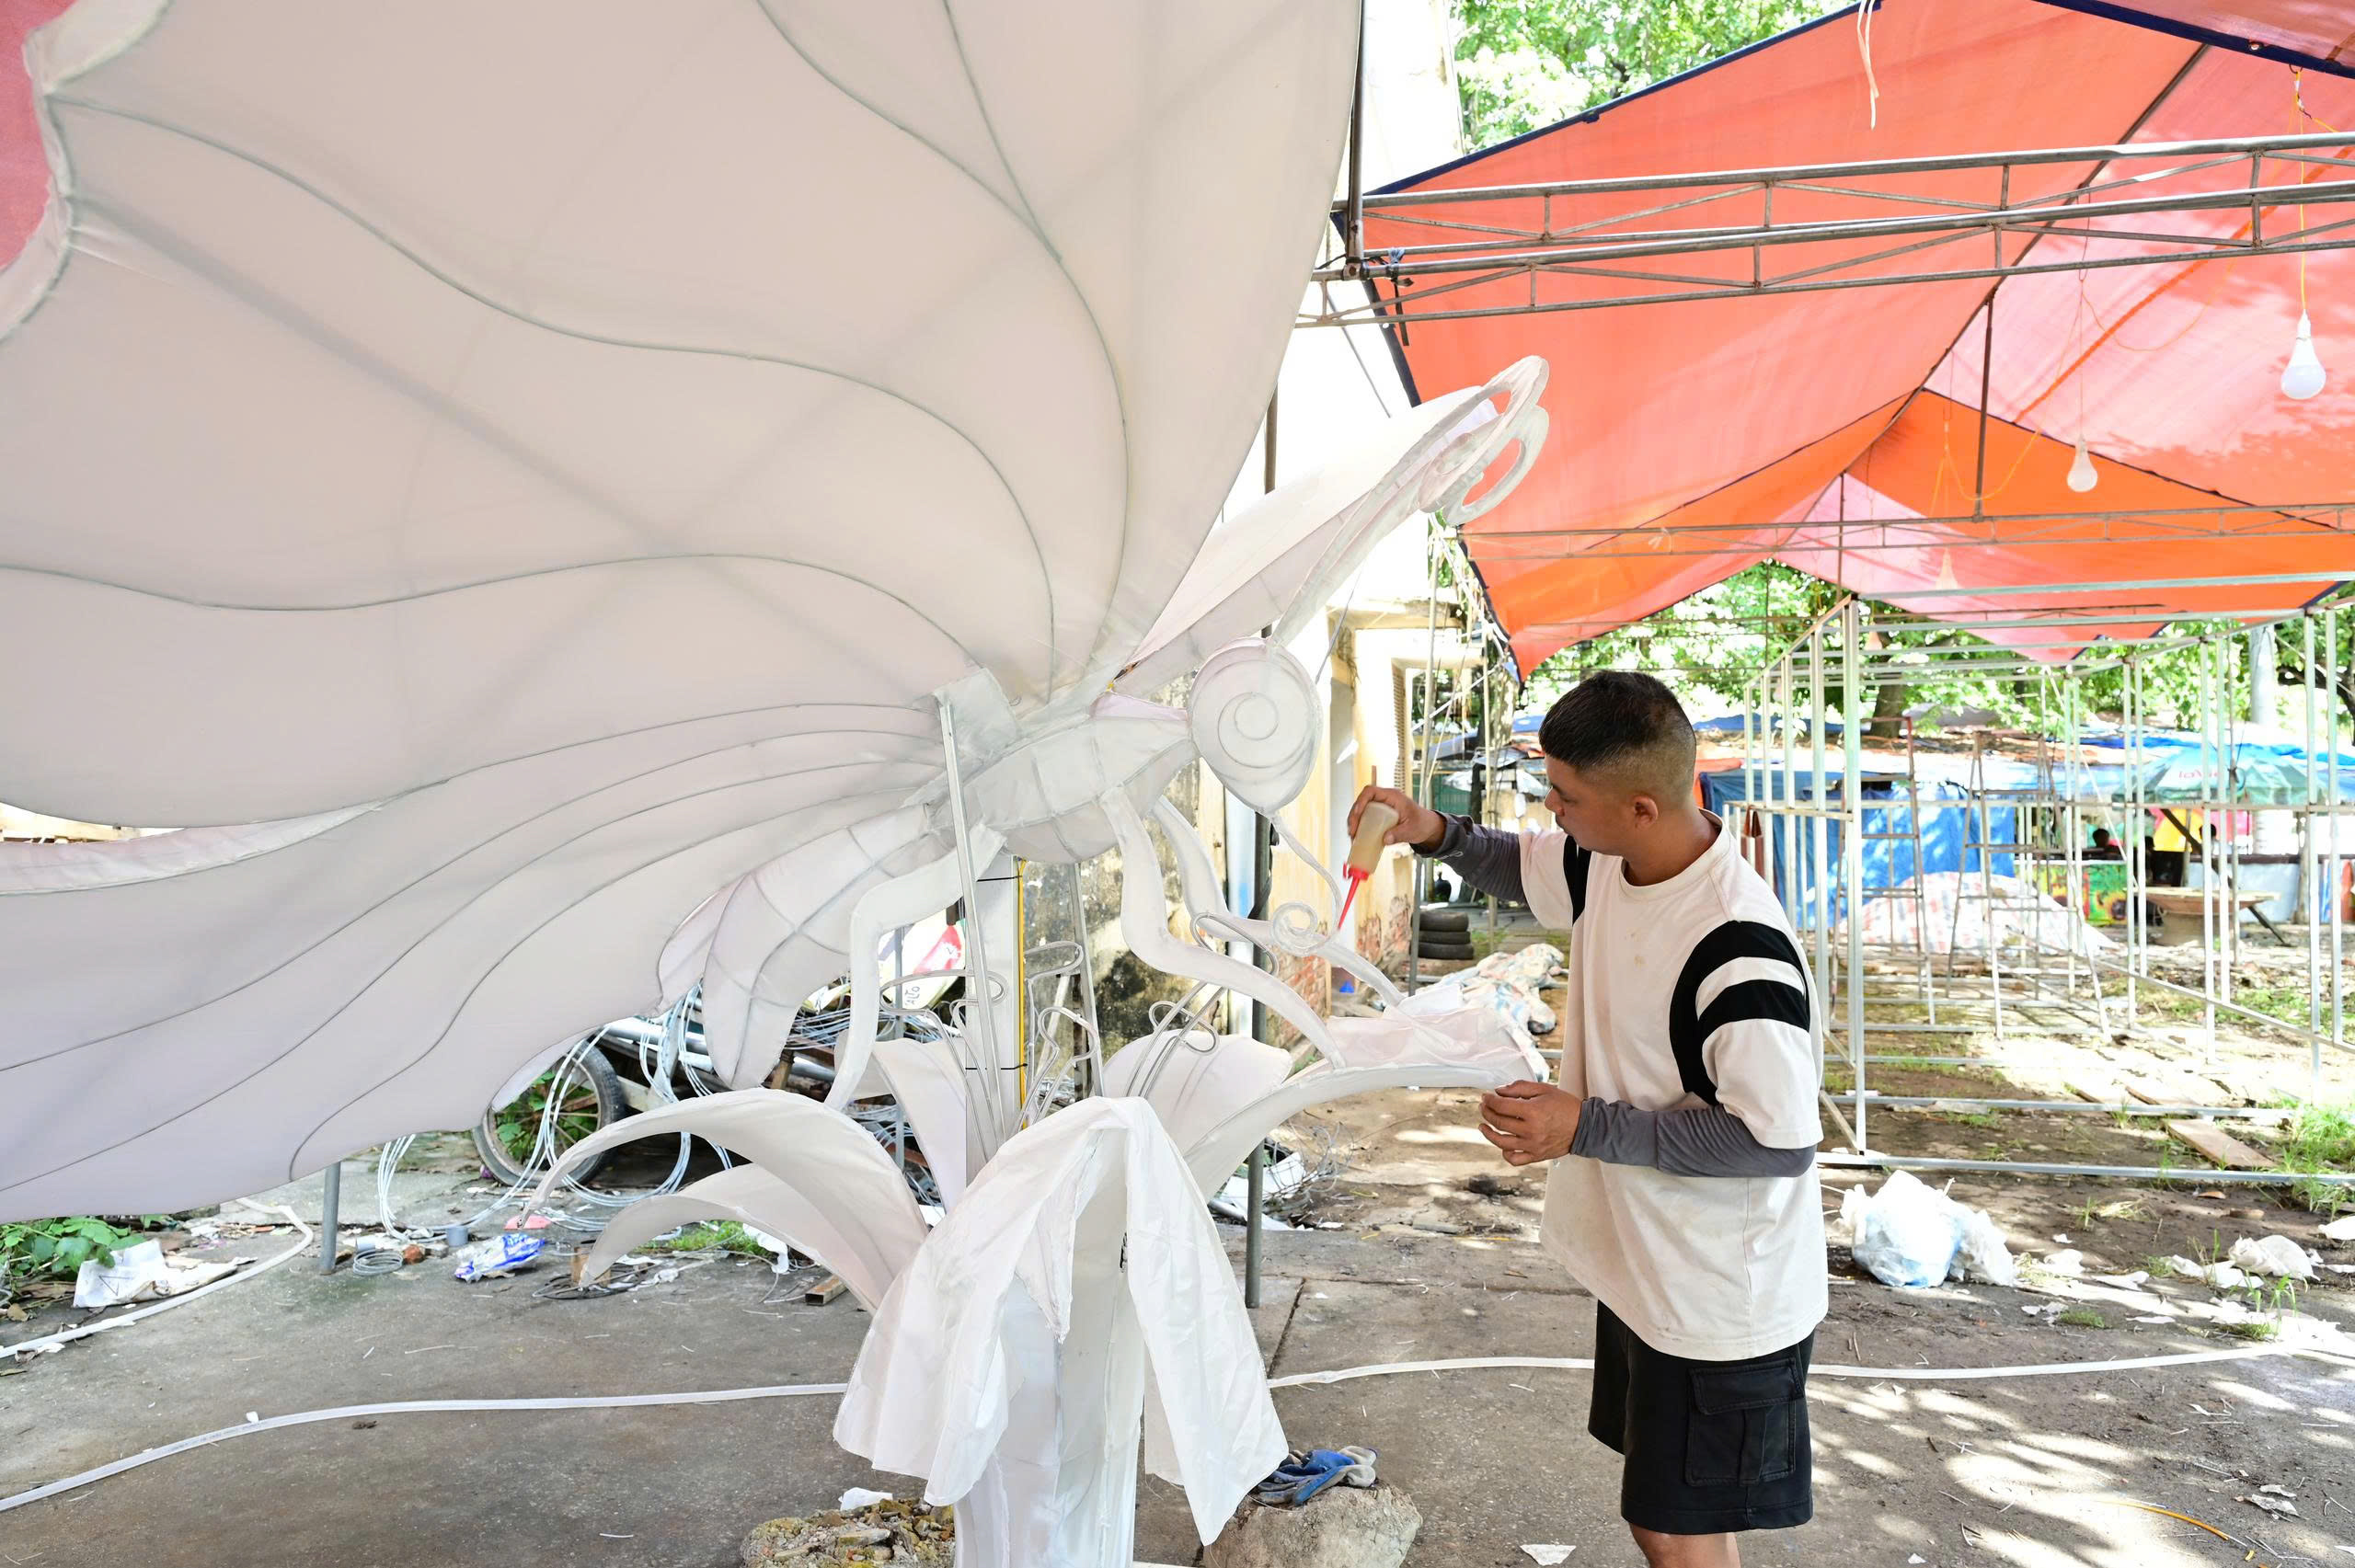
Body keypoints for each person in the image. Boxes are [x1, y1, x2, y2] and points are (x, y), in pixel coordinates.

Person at [1348, 670, 1823, 1568]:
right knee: (1661, 1513)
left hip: (1718, 1292)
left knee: (1677, 1528)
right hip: (1651, 1261)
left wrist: (1584, 1126)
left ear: (1640, 806)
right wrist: (1434, 833)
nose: (1549, 810)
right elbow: (1524, 865)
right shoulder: (1610, 858)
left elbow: (1776, 1139)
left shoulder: (1736, 947)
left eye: (1563, 796)